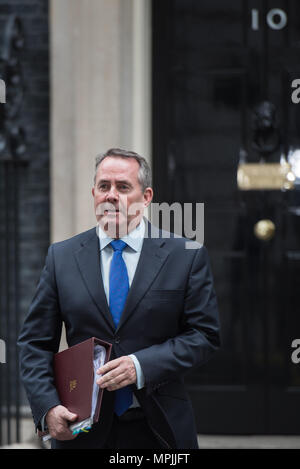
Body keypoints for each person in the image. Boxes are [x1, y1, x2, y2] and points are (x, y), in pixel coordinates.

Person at [18, 148, 220, 449]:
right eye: (104, 186)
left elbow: (204, 336)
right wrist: (47, 406)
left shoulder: (185, 256)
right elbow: (34, 343)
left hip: (159, 427)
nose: (111, 195)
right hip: (82, 430)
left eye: (123, 187)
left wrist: (140, 366)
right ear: (94, 193)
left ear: (146, 196)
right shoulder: (61, 257)